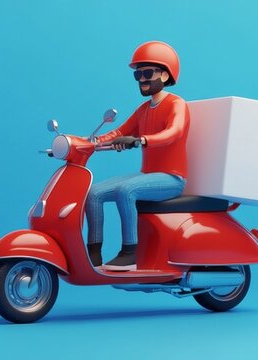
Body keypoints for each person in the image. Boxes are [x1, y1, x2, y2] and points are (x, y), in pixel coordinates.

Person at [86, 41, 190, 271]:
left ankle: (129, 252)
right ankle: (93, 253)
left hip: (172, 178)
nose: (142, 79)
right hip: (148, 175)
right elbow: (119, 132)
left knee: (126, 190)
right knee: (93, 194)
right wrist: (88, 142)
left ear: (165, 75)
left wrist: (141, 140)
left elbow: (174, 132)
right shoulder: (143, 110)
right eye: (138, 74)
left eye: (148, 73)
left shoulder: (177, 104)